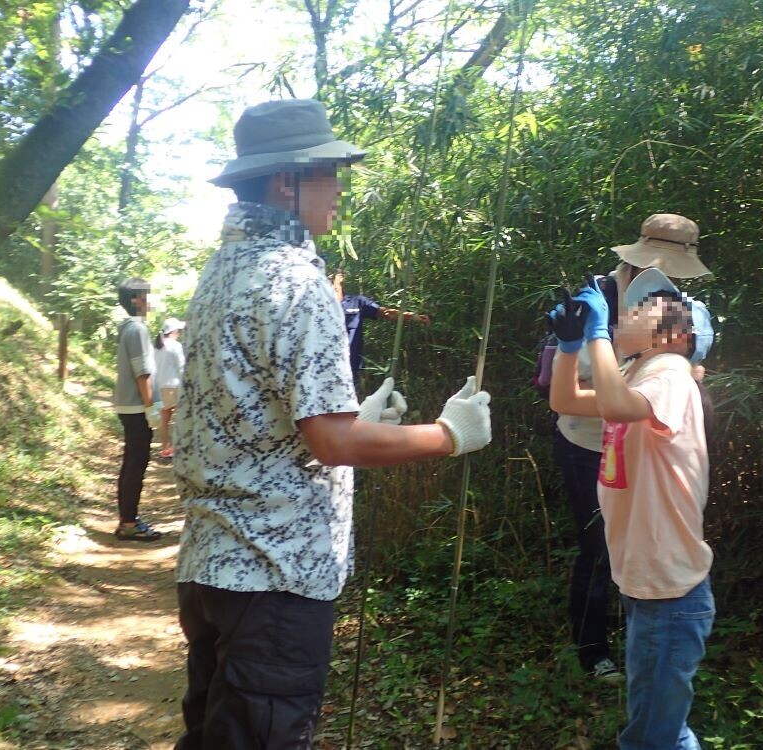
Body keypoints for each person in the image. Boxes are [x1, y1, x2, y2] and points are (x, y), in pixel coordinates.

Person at [172, 99, 493, 750]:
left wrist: (357, 416)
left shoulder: (223, 271)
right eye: (328, 173)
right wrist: (449, 434)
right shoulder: (296, 279)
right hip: (275, 580)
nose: (339, 189)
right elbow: (333, 441)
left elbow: (252, 416)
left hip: (212, 569)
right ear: (286, 181)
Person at [549, 269, 715, 750]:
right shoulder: (639, 376)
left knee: (650, 738)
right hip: (649, 582)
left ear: (678, 337)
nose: (629, 311)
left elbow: (617, 405)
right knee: (661, 729)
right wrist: (569, 347)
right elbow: (564, 400)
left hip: (669, 590)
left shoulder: (671, 377)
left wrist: (598, 333)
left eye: (646, 309)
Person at [112, 277, 163, 541]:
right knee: (136, 463)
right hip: (135, 406)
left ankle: (127, 519)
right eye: (147, 294)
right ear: (136, 300)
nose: (151, 299)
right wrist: (150, 406)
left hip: (128, 405)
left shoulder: (129, 328)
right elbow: (142, 373)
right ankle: (129, 523)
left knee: (132, 461)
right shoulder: (137, 330)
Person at [330, 267, 431, 382]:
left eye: (334, 275)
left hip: (350, 367)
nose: (330, 278)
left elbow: (387, 313)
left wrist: (413, 316)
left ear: (341, 277)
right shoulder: (319, 306)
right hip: (324, 366)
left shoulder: (357, 302)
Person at [154, 317, 186, 458]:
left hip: (159, 386)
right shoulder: (175, 346)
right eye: (178, 330)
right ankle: (181, 448)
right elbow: (182, 367)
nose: (179, 333)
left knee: (164, 420)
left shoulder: (156, 346)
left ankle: (165, 449)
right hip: (174, 386)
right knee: (181, 418)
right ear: (173, 331)